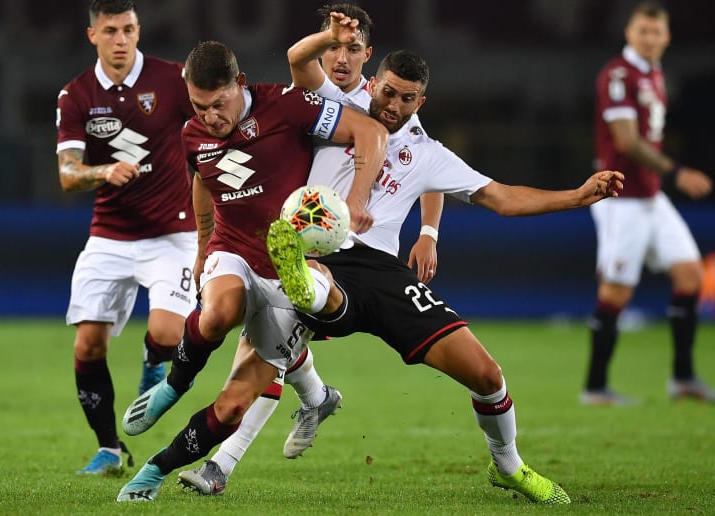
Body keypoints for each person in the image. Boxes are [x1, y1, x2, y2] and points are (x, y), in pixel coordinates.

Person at [181, 14, 624, 505]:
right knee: (263, 350)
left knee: (486, 375)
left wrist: (576, 196)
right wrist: (333, 37)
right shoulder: (335, 108)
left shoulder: (427, 153)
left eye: (405, 98)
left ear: (420, 103)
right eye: (387, 92)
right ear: (373, 83)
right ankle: (222, 462)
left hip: (381, 274)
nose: (392, 105)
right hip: (316, 258)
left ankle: (509, 466)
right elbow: (298, 60)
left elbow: (502, 198)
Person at [177, 4, 444, 496]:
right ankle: (316, 399)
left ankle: (222, 464)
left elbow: (429, 165)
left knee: (264, 349)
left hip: (352, 258)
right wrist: (206, 242)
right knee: (271, 345)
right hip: (299, 246)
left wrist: (428, 231)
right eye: (333, 47)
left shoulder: (385, 108)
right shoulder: (311, 97)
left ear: (369, 54)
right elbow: (297, 60)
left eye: (352, 49)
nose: (342, 58)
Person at [115, 40, 389, 502]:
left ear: (239, 83)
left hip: (290, 269)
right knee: (219, 313)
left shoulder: (288, 105)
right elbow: (203, 180)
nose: (209, 117)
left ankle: (154, 470)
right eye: (199, 106)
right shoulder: (192, 135)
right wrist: (203, 246)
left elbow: (371, 131)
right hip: (234, 250)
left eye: (218, 104)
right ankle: (173, 386)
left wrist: (357, 199)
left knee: (232, 406)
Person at [55, 0, 200, 475]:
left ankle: (153, 360)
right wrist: (103, 171)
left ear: (139, 31)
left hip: (173, 233)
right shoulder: (76, 95)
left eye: (129, 29)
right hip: (110, 236)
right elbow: (67, 174)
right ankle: (110, 449)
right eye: (111, 31)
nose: (121, 40)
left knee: (168, 334)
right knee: (87, 346)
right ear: (92, 35)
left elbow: (217, 122)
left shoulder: (173, 80)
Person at [582, 1, 714, 406]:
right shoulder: (618, 75)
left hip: (650, 197)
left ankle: (683, 379)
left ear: (667, 37)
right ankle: (595, 387)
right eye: (643, 30)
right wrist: (677, 172)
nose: (650, 38)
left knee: (690, 276)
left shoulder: (654, 74)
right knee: (616, 292)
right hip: (619, 198)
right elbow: (625, 141)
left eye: (656, 31)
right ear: (629, 33)